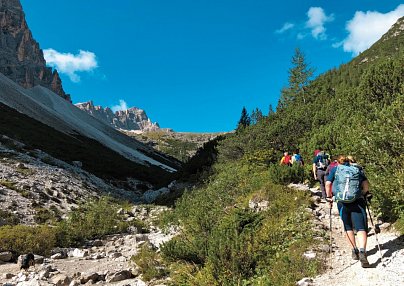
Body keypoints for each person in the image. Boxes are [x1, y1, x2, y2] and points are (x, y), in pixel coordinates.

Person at [325, 155, 372, 268]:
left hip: (342, 202)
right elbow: (366, 185)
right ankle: (362, 251)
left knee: (348, 226)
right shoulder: (357, 169)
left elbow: (327, 184)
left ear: (339, 162)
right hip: (357, 201)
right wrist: (365, 193)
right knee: (361, 228)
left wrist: (329, 197)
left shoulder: (335, 169)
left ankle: (354, 250)